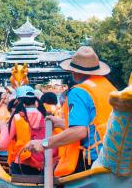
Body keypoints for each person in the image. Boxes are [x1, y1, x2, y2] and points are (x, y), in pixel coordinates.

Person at [28, 45, 115, 175]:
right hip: (113, 154)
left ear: (74, 71)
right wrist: (60, 123)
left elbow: (79, 131)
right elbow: (93, 125)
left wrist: (44, 143)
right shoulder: (109, 87)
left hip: (92, 159)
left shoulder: (79, 91)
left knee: (47, 173)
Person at [2, 86, 47, 175]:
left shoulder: (17, 117)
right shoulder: (43, 116)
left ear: (19, 101)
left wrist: (2, 126)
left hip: (21, 163)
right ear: (35, 100)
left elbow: (4, 144)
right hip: (40, 163)